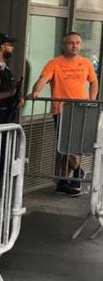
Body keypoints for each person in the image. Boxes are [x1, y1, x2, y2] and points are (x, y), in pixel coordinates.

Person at [29, 32, 100, 196]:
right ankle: (77, 171)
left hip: (81, 110)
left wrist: (92, 100)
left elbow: (94, 81)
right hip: (61, 110)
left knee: (75, 146)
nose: (75, 46)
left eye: (78, 43)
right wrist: (36, 91)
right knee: (65, 146)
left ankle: (67, 180)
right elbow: (43, 78)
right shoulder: (54, 63)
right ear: (64, 45)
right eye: (71, 43)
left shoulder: (86, 63)